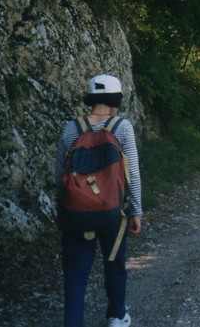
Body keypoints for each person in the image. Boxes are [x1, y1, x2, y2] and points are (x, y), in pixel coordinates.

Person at [55, 74, 142, 327]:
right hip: (113, 212)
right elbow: (132, 173)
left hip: (76, 212)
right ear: (116, 98)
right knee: (114, 264)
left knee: (75, 276)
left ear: (90, 98)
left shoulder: (71, 128)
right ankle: (116, 316)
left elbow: (59, 174)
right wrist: (136, 211)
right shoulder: (122, 127)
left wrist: (64, 210)